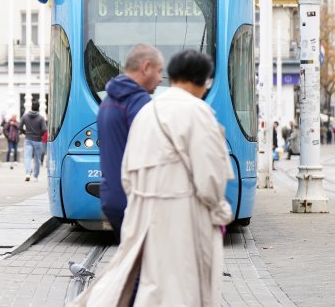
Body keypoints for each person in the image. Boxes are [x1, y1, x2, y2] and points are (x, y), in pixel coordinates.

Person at [70, 50, 233, 307]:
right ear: (203, 80)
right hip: (184, 217)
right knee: (184, 289)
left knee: (151, 287)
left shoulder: (148, 110)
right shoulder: (198, 112)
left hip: (144, 214)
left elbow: (127, 170)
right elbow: (210, 178)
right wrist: (221, 211)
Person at [97, 43, 163, 242]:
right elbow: (153, 152)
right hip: (134, 200)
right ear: (146, 67)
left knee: (132, 264)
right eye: (159, 71)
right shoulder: (138, 102)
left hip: (112, 197)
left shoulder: (108, 100)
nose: (161, 79)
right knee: (146, 268)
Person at [20, 100, 47, 183]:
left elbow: (19, 127)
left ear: (31, 106)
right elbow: (44, 130)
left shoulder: (25, 116)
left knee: (27, 157)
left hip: (28, 139)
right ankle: (36, 176)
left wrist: (26, 133)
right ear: (38, 107)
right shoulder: (41, 118)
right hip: (38, 140)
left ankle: (28, 173)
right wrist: (39, 134)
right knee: (37, 159)